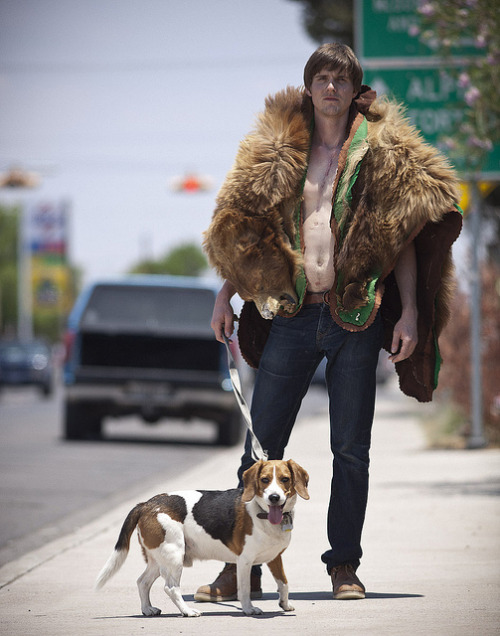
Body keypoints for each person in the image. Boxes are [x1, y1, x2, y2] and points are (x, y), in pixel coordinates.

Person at [199, 43, 462, 602]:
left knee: (351, 450)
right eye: (322, 77)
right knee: (258, 449)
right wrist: (226, 293)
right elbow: (251, 232)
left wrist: (411, 311)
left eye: (341, 79)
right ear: (309, 87)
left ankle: (344, 566)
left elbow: (403, 240)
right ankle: (235, 568)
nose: (331, 88)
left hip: (355, 317)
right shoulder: (283, 153)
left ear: (354, 90)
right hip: (293, 316)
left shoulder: (377, 155)